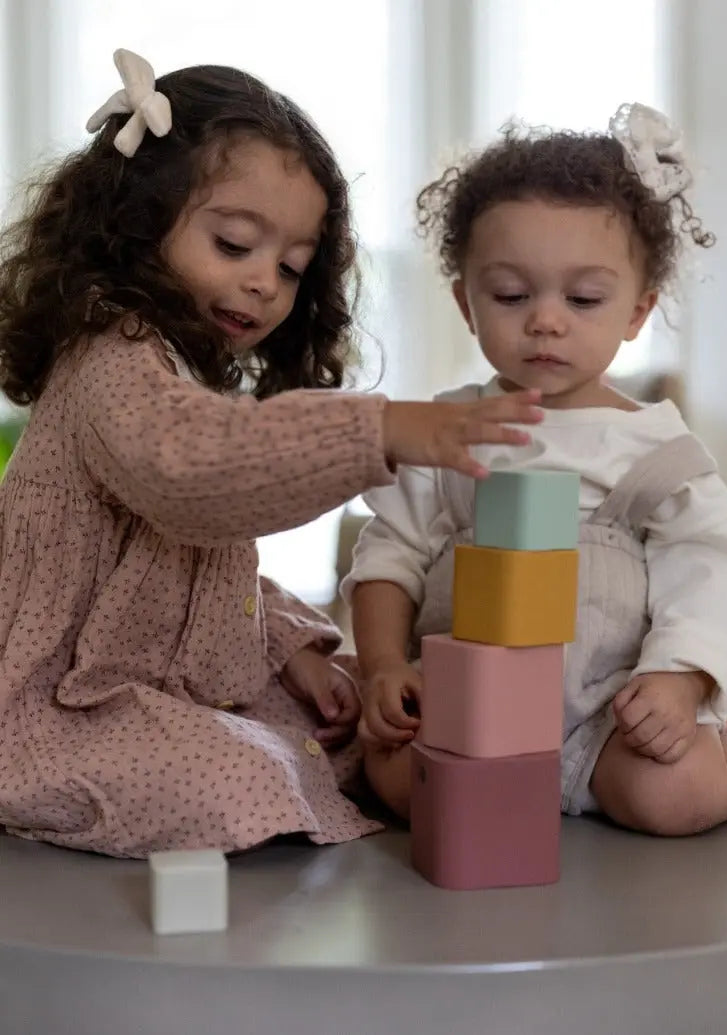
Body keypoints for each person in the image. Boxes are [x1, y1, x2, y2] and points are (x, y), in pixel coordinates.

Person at [0, 50, 543, 858]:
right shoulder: (110, 357)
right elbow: (194, 471)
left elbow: (211, 565)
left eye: (289, 267)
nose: (264, 283)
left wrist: (292, 649)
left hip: (155, 688)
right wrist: (377, 429)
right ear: (138, 222)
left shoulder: (177, 368)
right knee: (243, 774)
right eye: (234, 244)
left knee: (348, 712)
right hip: (54, 707)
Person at [344, 104, 727, 836]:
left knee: (674, 796)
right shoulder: (445, 432)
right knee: (388, 775)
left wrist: (680, 675)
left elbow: (716, 567)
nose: (545, 319)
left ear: (637, 310)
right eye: (511, 295)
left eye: (582, 298)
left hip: (609, 719)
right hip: (470, 712)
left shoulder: (657, 449)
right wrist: (383, 665)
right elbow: (389, 555)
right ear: (466, 305)